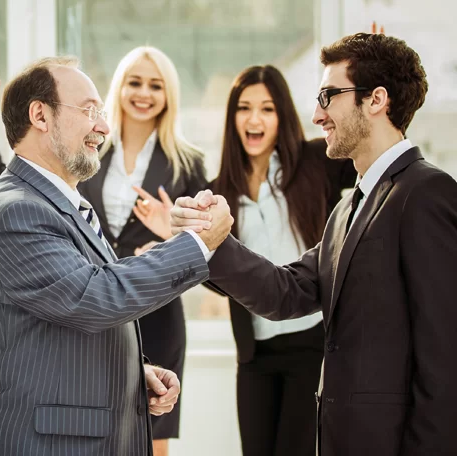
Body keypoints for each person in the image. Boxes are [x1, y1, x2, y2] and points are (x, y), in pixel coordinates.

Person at [171, 32, 457, 456]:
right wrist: (217, 242)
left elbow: (446, 357)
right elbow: (286, 293)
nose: (317, 114)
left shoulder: (426, 192)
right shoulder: (346, 211)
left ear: (376, 100)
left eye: (328, 95)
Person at [0, 56, 233, 456]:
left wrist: (129, 375)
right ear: (40, 114)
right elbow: (97, 298)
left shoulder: (56, 204)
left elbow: (56, 325)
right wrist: (194, 244)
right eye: (89, 111)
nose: (103, 127)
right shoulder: (18, 211)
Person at [138, 64, 356, 455]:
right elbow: (221, 278)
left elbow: (369, 155)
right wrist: (175, 236)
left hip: (314, 343)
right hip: (254, 352)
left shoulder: (315, 162)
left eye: (267, 109)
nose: (254, 119)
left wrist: (371, 88)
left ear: (282, 115)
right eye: (244, 108)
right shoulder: (221, 189)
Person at [76, 46, 207, 455]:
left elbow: (205, 246)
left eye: (156, 85)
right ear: (119, 88)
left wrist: (170, 240)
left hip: (158, 313)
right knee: (94, 431)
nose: (144, 93)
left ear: (169, 95)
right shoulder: (88, 151)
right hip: (95, 310)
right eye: (135, 82)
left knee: (153, 438)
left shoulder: (188, 163)